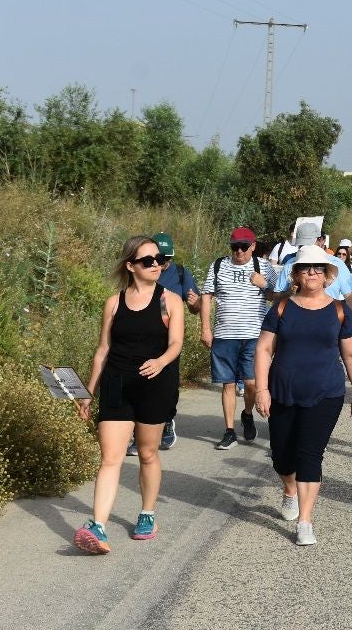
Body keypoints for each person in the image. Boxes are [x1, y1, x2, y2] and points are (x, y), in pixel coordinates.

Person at [73, 236, 184, 554]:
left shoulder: (169, 301)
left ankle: (147, 514)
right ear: (131, 266)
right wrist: (88, 392)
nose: (156, 265)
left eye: (159, 259)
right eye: (147, 260)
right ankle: (98, 527)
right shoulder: (114, 303)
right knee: (110, 458)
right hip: (117, 385)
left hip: (154, 386)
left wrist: (161, 361)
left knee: (148, 453)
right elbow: (103, 350)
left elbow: (176, 344)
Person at [254, 245, 352, 546]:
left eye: (318, 268)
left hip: (325, 393)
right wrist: (262, 390)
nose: (312, 272)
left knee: (310, 455)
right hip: (282, 392)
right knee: (282, 457)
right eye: (306, 268)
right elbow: (264, 349)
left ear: (329, 273)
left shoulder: (340, 310)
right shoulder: (281, 307)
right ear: (296, 274)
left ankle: (305, 521)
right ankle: (289, 490)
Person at [123, 231, 199, 454]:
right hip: (140, 339)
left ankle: (166, 421)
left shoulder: (181, 273)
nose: (159, 264)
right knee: (138, 383)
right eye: (155, 258)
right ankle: (139, 433)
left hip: (168, 341)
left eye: (164, 259)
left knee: (167, 386)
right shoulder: (141, 271)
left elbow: (194, 307)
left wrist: (194, 304)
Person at [200, 227, 276, 450]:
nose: (239, 252)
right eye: (235, 247)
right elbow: (207, 296)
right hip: (224, 335)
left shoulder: (263, 267)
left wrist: (265, 285)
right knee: (229, 384)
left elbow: (277, 296)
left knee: (252, 384)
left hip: (254, 335)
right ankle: (229, 431)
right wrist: (206, 328)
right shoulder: (218, 266)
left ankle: (247, 413)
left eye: (244, 247)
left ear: (253, 246)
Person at [274, 222, 352, 315]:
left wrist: (349, 327)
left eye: (309, 244)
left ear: (321, 240)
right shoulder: (290, 263)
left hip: (329, 322)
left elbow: (350, 299)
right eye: (301, 245)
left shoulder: (337, 264)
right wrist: (290, 292)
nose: (305, 248)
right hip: (296, 321)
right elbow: (277, 297)